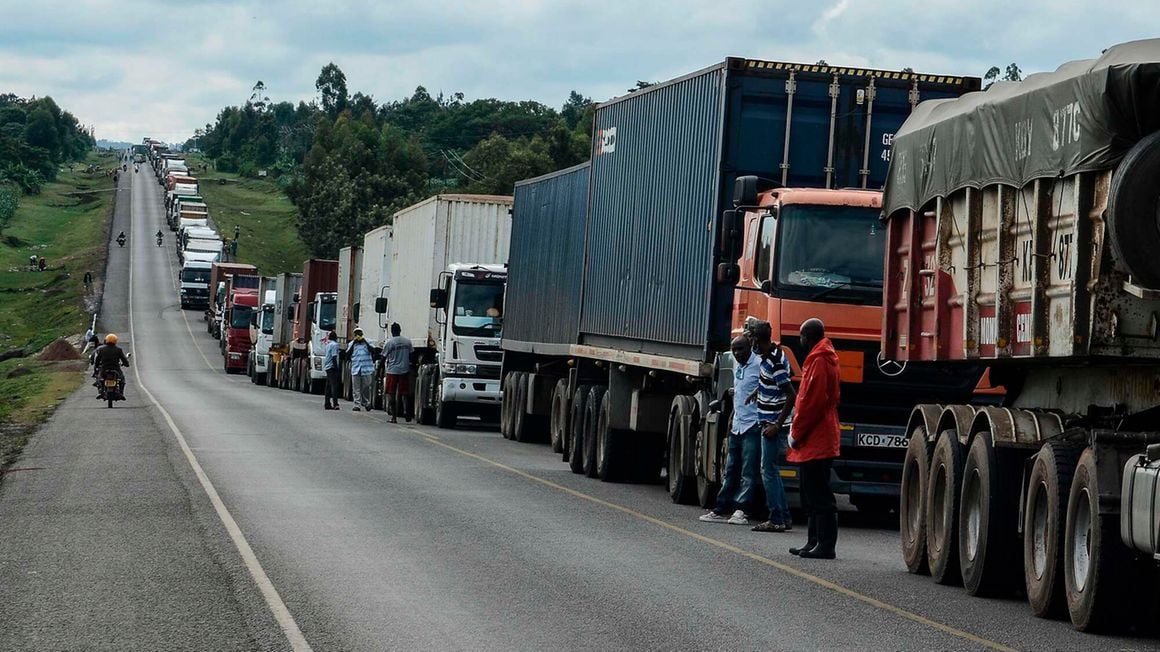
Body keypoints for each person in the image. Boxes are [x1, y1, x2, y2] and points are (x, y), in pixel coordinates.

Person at [787, 318, 842, 560]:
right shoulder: (820, 358)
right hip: (816, 437)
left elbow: (812, 402)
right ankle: (813, 541)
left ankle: (825, 544)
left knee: (819, 493)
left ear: (808, 337)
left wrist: (795, 432)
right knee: (810, 491)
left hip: (816, 437)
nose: (799, 341)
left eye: (801, 336)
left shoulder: (819, 360)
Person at [699, 335, 762, 525]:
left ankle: (742, 510)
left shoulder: (759, 364)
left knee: (748, 471)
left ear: (750, 346)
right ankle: (721, 508)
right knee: (730, 468)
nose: (737, 353)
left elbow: (772, 386)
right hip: (737, 425)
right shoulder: (737, 364)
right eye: (734, 350)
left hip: (752, 424)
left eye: (740, 349)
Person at [747, 320, 796, 533]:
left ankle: (776, 518)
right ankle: (784, 516)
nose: (751, 343)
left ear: (758, 339)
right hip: (767, 419)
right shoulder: (772, 356)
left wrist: (776, 424)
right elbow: (782, 378)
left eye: (752, 338)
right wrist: (758, 392)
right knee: (772, 470)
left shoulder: (774, 362)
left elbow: (790, 394)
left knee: (768, 470)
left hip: (772, 424)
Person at [382, 322, 413, 423]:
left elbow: (383, 357)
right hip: (404, 370)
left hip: (392, 371)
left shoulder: (390, 343)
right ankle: (406, 412)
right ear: (400, 330)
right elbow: (411, 355)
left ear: (391, 331)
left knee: (391, 394)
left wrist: (378, 371)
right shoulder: (407, 342)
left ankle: (394, 417)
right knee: (404, 393)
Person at [91, 333, 130, 398]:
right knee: (122, 379)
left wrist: (96, 367)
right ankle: (121, 392)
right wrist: (126, 364)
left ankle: (102, 391)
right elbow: (123, 359)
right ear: (115, 341)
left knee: (100, 379)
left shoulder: (101, 349)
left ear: (106, 340)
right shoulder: (118, 350)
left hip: (104, 369)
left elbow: (97, 360)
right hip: (116, 369)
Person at [347, 327, 376, 412]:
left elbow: (373, 350)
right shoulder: (352, 344)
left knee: (366, 387)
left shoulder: (368, 342)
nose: (358, 335)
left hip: (366, 369)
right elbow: (348, 354)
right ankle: (357, 404)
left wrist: (365, 342)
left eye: (359, 333)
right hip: (356, 368)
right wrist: (354, 343)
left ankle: (366, 402)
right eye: (356, 334)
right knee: (356, 388)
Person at [322, 331, 341, 411]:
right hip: (332, 367)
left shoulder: (328, 345)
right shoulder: (334, 345)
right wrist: (336, 368)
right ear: (335, 337)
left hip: (327, 367)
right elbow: (334, 357)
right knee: (334, 386)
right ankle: (335, 403)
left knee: (328, 386)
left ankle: (327, 403)